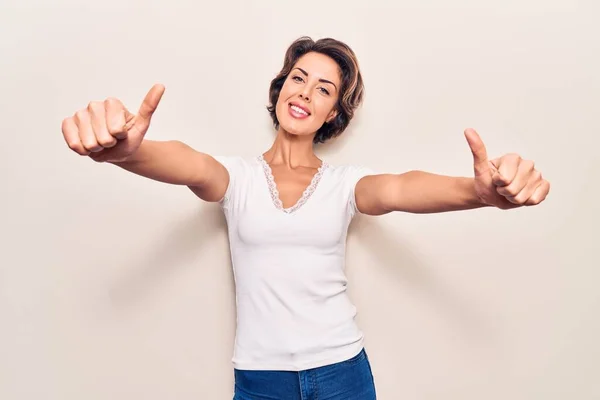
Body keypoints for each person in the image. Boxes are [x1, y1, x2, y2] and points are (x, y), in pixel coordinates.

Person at [61, 36, 550, 400]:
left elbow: (401, 188)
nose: (305, 93)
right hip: (261, 380)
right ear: (279, 89)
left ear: (332, 114)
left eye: (324, 89)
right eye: (298, 78)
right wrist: (124, 152)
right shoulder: (236, 179)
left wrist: (479, 193)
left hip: (343, 373)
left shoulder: (342, 186)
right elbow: (187, 162)